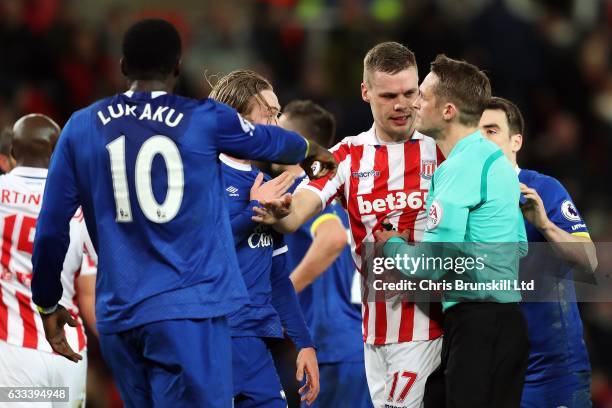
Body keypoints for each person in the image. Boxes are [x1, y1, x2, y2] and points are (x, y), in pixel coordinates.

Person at [30, 19, 335, 407]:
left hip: (119, 315)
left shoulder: (81, 125)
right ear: (177, 67)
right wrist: (310, 150)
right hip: (185, 313)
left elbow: (51, 229)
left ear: (122, 65)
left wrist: (47, 300)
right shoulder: (203, 118)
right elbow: (269, 139)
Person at [253, 42, 444, 408]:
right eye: (388, 96)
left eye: (409, 93)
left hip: (431, 327)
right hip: (372, 334)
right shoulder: (344, 156)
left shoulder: (441, 150)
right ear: (365, 92)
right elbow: (298, 211)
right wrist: (281, 213)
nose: (402, 105)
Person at [375, 54, 529, 408]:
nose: (413, 103)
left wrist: (394, 245)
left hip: (476, 326)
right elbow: (519, 246)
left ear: (447, 111)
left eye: (423, 97)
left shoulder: (459, 168)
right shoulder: (496, 161)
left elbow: (435, 263)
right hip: (508, 325)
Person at [208, 70, 319, 407]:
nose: (277, 121)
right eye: (268, 112)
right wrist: (252, 209)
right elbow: (200, 250)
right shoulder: (201, 174)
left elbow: (277, 276)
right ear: (237, 117)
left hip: (255, 343)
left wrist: (304, 343)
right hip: (211, 338)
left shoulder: (267, 183)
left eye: (278, 112)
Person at [480, 96, 597, 408]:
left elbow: (590, 261)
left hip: (553, 371)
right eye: (476, 133)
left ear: (516, 140)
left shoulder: (544, 189)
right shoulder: (464, 199)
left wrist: (544, 224)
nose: (482, 140)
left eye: (491, 131)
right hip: (493, 369)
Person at [275, 99, 374, 407]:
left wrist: (282, 297)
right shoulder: (335, 191)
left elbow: (330, 238)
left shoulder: (300, 189)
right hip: (355, 345)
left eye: (278, 132)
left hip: (332, 346)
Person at [0, 114, 97, 407]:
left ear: (13, 153)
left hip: (18, 357)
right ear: (57, 153)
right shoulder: (83, 203)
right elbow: (91, 292)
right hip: (70, 354)